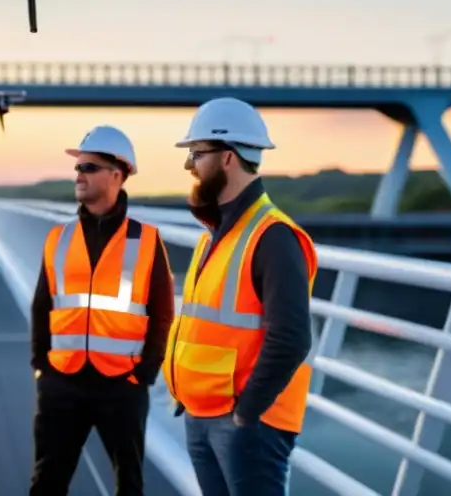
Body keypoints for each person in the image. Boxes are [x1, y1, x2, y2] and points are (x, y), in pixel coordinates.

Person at [163, 97, 318, 496]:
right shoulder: (216, 235)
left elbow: (292, 338)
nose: (189, 165)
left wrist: (246, 414)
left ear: (228, 158)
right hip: (203, 413)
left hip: (247, 425)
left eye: (196, 154)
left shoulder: (273, 237)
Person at [29, 125, 175, 496]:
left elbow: (162, 312)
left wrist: (145, 373)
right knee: (47, 482)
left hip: (121, 384)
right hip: (63, 381)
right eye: (77, 167)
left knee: (129, 485)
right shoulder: (57, 238)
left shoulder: (146, 241)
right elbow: (42, 305)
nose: (79, 174)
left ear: (117, 174)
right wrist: (42, 367)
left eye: (89, 167)